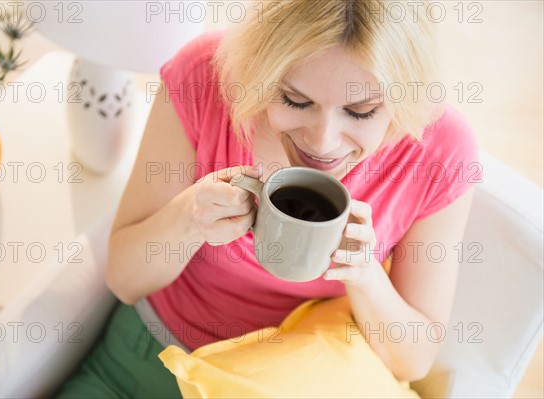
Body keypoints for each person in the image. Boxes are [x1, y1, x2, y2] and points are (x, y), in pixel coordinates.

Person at [56, 0, 480, 397]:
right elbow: (124, 280)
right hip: (148, 354)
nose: (323, 141)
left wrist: (365, 274)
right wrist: (189, 217)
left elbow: (413, 361)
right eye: (295, 100)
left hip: (283, 383)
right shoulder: (205, 77)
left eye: (361, 111)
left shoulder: (440, 153)